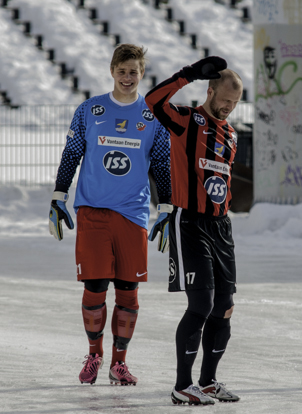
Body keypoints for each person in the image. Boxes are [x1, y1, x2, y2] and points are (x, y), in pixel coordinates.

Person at [48, 43, 171, 386]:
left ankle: (120, 362)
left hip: (132, 214)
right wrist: (59, 195)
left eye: (134, 71)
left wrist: (166, 206)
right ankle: (94, 355)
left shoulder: (152, 115)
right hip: (92, 211)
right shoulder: (90, 109)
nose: (127, 77)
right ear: (112, 71)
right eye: (122, 71)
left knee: (128, 288)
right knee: (95, 286)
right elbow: (71, 154)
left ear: (142, 73)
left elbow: (161, 164)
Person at [145, 57, 243, 405]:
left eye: (235, 104)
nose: (229, 108)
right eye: (225, 101)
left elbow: (223, 180)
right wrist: (186, 75)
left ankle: (208, 381)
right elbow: (152, 101)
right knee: (201, 302)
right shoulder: (187, 120)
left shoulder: (231, 134)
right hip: (189, 222)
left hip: (221, 227)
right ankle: (181, 385)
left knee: (225, 306)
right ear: (210, 91)